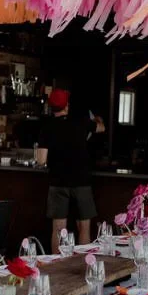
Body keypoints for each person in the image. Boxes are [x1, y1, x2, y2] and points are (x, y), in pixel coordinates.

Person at [36, 88, 105, 251]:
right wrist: (96, 119)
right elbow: (101, 128)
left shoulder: (46, 127)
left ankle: (56, 266)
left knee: (59, 229)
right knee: (84, 226)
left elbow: (41, 160)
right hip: (81, 180)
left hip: (58, 181)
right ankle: (83, 265)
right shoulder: (81, 121)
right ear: (67, 105)